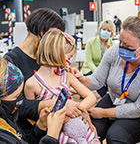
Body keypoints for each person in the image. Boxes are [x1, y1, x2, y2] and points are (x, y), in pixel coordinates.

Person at [72, 10, 140, 144]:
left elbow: (139, 108)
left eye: (128, 47)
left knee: (116, 136)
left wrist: (103, 113)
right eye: (120, 43)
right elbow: (97, 80)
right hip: (115, 98)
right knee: (88, 130)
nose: (122, 49)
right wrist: (81, 79)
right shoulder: (114, 51)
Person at [3, 8, 82, 138]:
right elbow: (14, 105)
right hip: (31, 131)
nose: (56, 42)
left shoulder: (48, 58)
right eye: (54, 36)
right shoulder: (11, 62)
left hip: (60, 123)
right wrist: (54, 104)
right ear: (42, 32)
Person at [24, 30, 100, 144]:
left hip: (77, 125)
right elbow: (31, 119)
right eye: (68, 58)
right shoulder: (32, 84)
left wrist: (75, 111)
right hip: (55, 135)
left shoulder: (67, 76)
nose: (69, 62)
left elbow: (91, 97)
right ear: (57, 52)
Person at [0, 57, 72, 144]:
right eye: (16, 96)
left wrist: (41, 125)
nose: (20, 100)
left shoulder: (6, 118)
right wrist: (52, 135)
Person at [82, 20, 116, 97]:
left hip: (105, 71)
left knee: (112, 83)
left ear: (112, 33)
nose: (105, 32)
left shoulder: (113, 45)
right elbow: (89, 61)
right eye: (104, 29)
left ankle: (110, 99)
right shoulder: (91, 42)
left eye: (108, 30)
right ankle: (106, 98)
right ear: (100, 29)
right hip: (90, 69)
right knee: (99, 84)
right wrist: (99, 74)